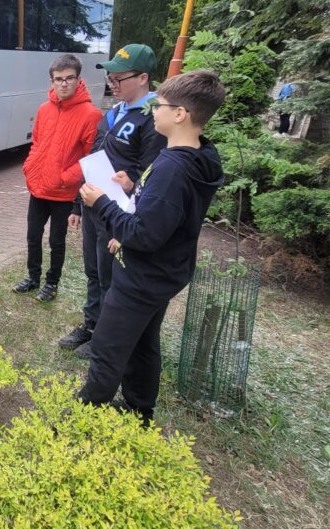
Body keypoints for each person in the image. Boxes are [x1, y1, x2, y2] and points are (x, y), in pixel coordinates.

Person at [75, 70, 225, 427]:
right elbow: (161, 217)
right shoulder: (199, 154)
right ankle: (139, 411)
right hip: (165, 269)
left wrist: (102, 204)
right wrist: (131, 191)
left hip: (143, 275)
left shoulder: (172, 168)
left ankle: (80, 422)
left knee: (107, 347)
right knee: (143, 342)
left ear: (180, 114)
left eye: (160, 106)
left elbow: (145, 234)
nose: (152, 111)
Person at [58, 43, 167, 359]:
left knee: (110, 277)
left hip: (118, 212)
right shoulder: (113, 113)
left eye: (119, 79)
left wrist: (131, 192)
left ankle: (105, 338)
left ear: (143, 78)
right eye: (110, 79)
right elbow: (93, 157)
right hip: (92, 205)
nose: (112, 84)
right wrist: (78, 204)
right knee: (93, 271)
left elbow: (152, 175)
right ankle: (91, 324)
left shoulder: (153, 119)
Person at [14, 54, 102, 302]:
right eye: (58, 79)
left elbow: (90, 158)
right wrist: (30, 166)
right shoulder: (44, 109)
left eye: (69, 78)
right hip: (39, 187)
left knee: (56, 241)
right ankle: (33, 277)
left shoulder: (90, 114)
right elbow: (36, 142)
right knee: (33, 236)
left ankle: (51, 283)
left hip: (64, 192)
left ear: (78, 79)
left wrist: (66, 178)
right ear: (51, 81)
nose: (64, 84)